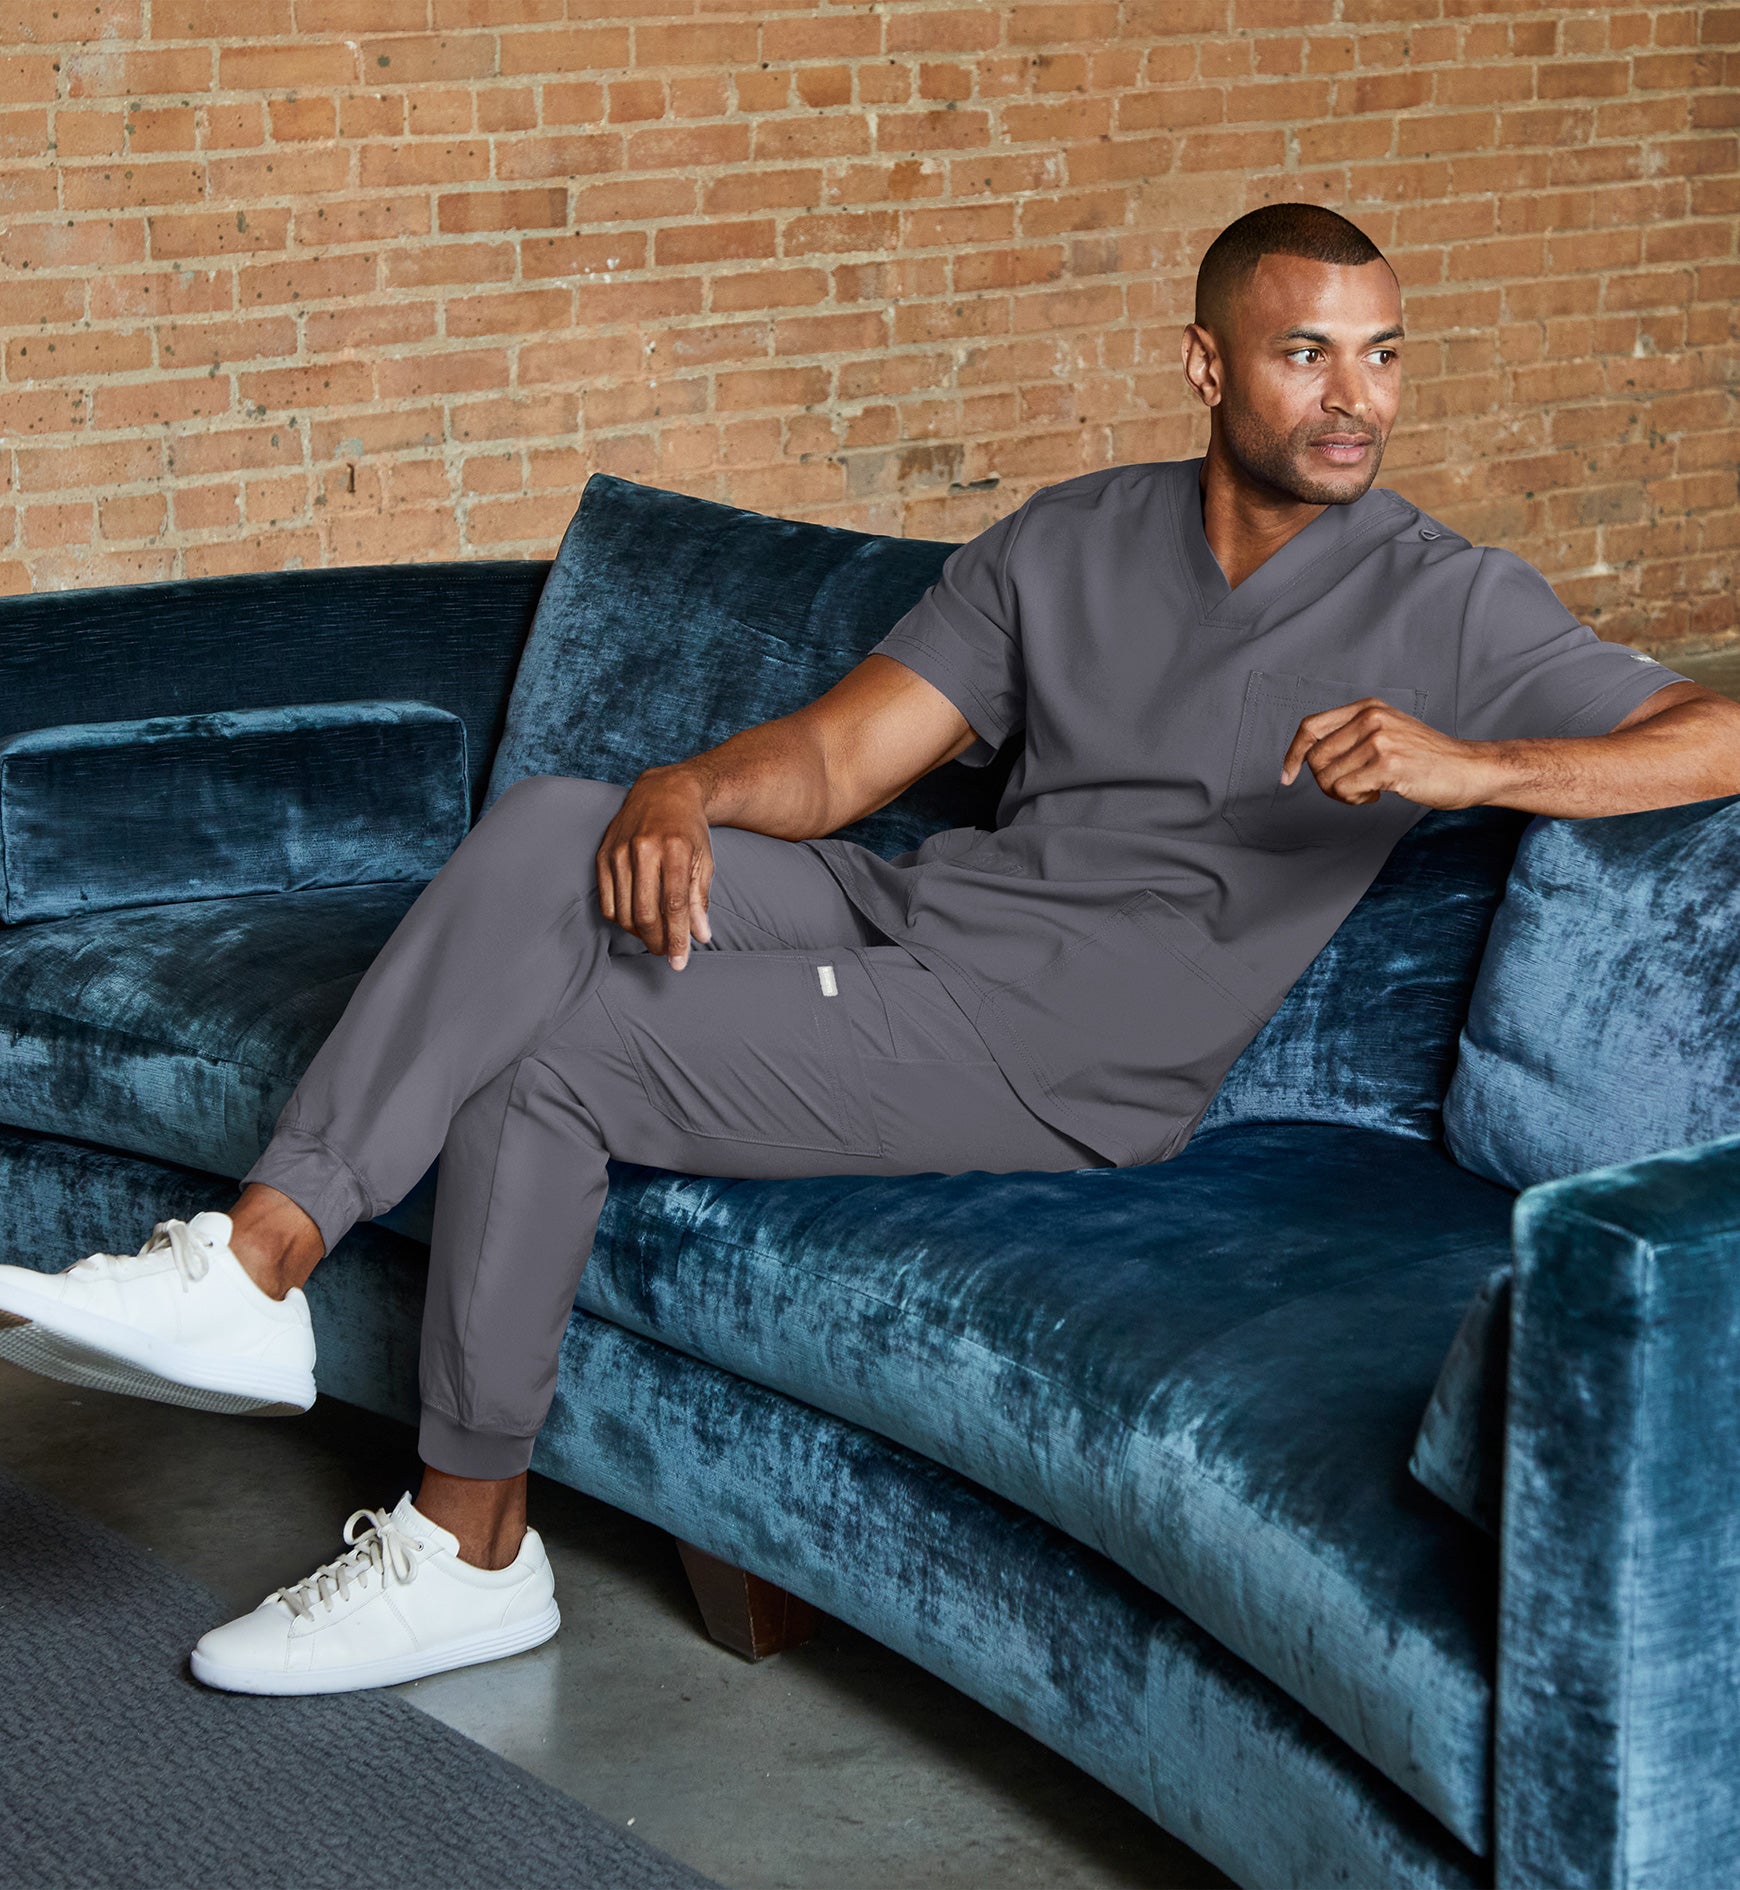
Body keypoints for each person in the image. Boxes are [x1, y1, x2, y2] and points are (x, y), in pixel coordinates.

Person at [3, 202, 1736, 1697]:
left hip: (1067, 1048)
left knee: (557, 1063)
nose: (1357, 398)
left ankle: (468, 1550)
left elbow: (1714, 731)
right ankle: (253, 1266)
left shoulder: (1450, 599)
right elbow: (841, 762)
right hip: (933, 917)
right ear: (1207, 365)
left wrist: (1478, 767)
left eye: (1384, 355)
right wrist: (682, 790)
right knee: (553, 827)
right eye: (1309, 355)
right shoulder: (1072, 536)